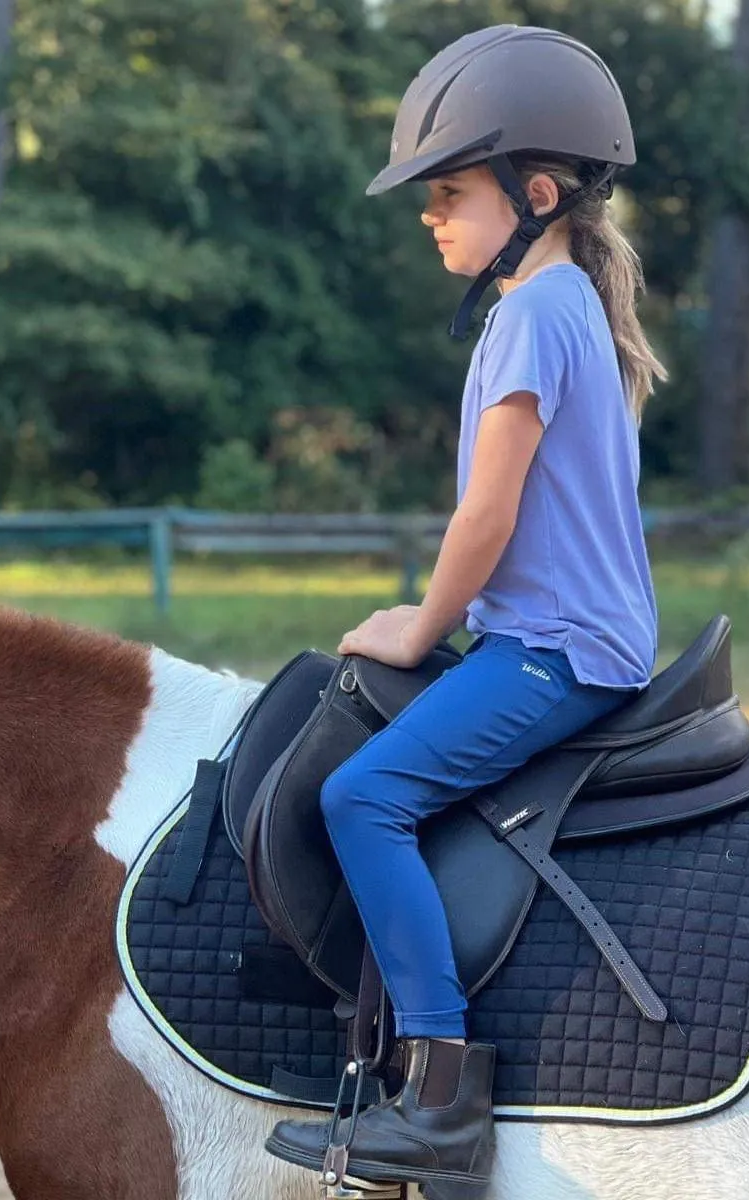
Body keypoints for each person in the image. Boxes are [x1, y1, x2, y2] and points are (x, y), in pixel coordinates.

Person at [264, 23, 667, 1195]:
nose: (433, 216)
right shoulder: (560, 303)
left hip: (556, 654)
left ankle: (437, 1091)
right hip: (553, 637)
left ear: (535, 195)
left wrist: (418, 625)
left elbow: (487, 518)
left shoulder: (536, 315)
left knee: (364, 793)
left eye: (450, 193)